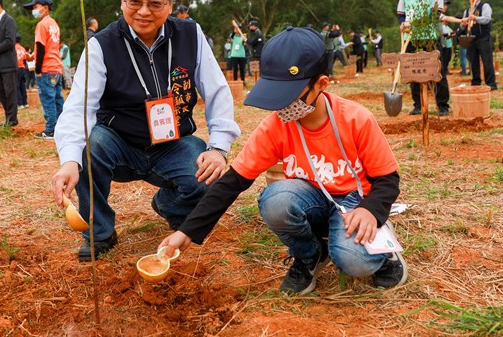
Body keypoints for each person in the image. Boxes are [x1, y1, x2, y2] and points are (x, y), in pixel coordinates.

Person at [157, 26, 406, 294]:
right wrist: (187, 232)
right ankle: (310, 254)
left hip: (354, 204)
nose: (284, 106)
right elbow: (232, 182)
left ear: (321, 84)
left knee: (353, 260)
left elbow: (387, 179)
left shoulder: (355, 119)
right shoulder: (276, 126)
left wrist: (371, 210)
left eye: (291, 96)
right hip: (312, 201)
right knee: (276, 199)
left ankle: (385, 257)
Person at [50, 0, 241, 261]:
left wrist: (219, 146)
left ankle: (170, 205)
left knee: (207, 174)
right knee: (91, 144)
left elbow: (217, 91)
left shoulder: (190, 36)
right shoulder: (102, 45)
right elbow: (78, 109)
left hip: (174, 145)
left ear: (170, 4)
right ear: (122, 0)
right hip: (119, 144)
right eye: (134, 1)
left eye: (155, 3)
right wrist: (70, 161)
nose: (143, 12)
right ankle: (99, 232)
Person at [396, 0, 451, 116]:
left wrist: (417, 24)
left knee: (437, 70)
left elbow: (436, 13)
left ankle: (442, 105)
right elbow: (401, 14)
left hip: (430, 37)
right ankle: (418, 105)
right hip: (411, 38)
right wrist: (403, 24)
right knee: (412, 70)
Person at [23, 0, 64, 139]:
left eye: (36, 7)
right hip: (56, 67)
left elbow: (41, 46)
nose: (34, 10)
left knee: (48, 100)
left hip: (46, 69)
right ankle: (61, 127)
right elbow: (49, 46)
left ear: (45, 8)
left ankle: (51, 130)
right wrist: (33, 55)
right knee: (58, 99)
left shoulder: (41, 25)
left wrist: (38, 69)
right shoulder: (54, 24)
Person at [459, 0, 497, 90]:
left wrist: (475, 18)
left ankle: (491, 84)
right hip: (471, 38)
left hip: (483, 37)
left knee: (487, 61)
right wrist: (463, 24)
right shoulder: (466, 11)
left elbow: (487, 18)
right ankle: (476, 82)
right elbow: (463, 26)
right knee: (473, 61)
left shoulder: (484, 6)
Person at [15, 34, 29, 108]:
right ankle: (25, 102)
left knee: (16, 86)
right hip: (22, 68)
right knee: (22, 85)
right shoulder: (23, 48)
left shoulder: (13, 48)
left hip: (16, 68)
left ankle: (19, 103)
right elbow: (25, 59)